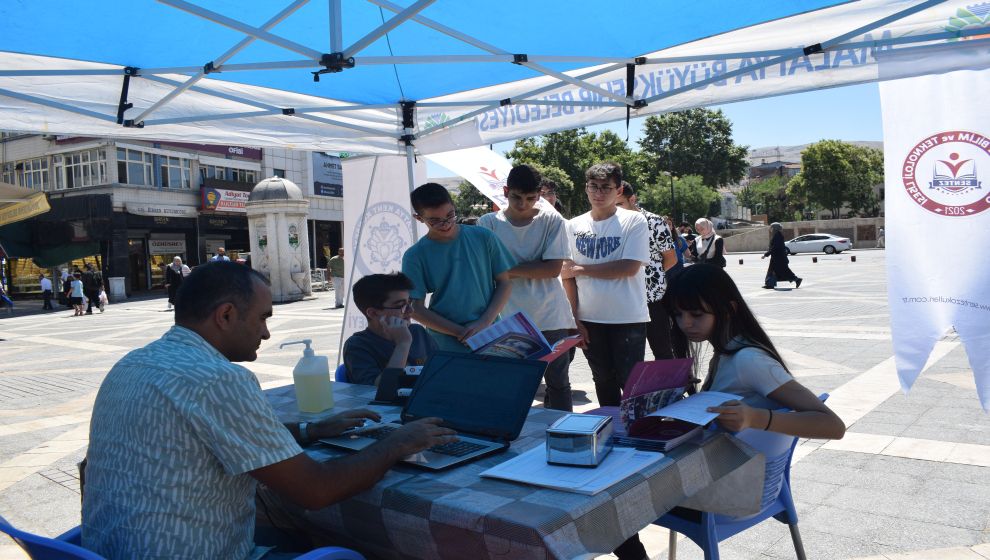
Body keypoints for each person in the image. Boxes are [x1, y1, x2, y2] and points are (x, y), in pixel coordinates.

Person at [82, 262, 456, 560]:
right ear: (226, 315)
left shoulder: (133, 363)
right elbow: (317, 490)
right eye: (263, 318)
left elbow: (205, 438)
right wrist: (396, 443)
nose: (266, 334)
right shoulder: (219, 379)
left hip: (107, 549)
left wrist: (310, 431)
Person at [617, 264, 846, 559]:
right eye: (678, 314)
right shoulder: (727, 352)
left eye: (696, 314)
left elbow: (833, 426)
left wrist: (755, 418)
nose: (686, 323)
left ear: (729, 309)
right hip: (748, 482)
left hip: (730, 494)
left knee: (607, 505)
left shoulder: (748, 360)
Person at [478, 164, 577, 411]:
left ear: (539, 195)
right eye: (517, 197)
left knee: (558, 384)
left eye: (531, 198)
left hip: (550, 316)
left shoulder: (552, 218)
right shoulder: (488, 222)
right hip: (505, 318)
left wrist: (502, 269)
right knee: (510, 384)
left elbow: (552, 269)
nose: (523, 204)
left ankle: (564, 438)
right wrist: (531, 267)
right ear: (505, 191)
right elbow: (482, 269)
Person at [561, 162, 650, 407]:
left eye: (606, 188)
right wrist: (574, 319)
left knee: (632, 384)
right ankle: (611, 431)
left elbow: (629, 267)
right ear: (586, 189)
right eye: (594, 187)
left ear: (618, 190)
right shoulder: (573, 225)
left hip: (627, 318)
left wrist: (581, 269)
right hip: (589, 320)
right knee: (603, 381)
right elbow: (567, 276)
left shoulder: (634, 221)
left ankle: (638, 435)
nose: (599, 194)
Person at [402, 182, 515, 352]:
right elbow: (415, 309)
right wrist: (462, 332)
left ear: (454, 207)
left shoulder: (483, 237)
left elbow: (505, 282)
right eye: (435, 221)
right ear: (419, 218)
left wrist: (484, 323)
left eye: (450, 215)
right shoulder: (414, 255)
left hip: (491, 335)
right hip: (444, 344)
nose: (446, 224)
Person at [616, 181, 678, 360]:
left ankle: (677, 385)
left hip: (652, 299)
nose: (617, 210)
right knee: (630, 357)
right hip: (624, 299)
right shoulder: (612, 223)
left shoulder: (655, 222)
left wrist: (653, 275)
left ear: (632, 199)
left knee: (663, 351)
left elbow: (671, 258)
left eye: (620, 204)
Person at [343, 273, 437, 386]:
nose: (410, 310)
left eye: (409, 303)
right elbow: (381, 389)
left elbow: (442, 371)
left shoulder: (418, 332)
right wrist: (403, 344)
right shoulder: (357, 345)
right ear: (373, 313)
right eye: (401, 306)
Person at [762, 222, 802, 289]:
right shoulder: (777, 235)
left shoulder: (777, 236)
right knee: (778, 271)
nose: (770, 229)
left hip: (778, 258)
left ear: (775, 228)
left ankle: (796, 279)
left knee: (782, 271)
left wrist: (766, 254)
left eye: (771, 227)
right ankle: (770, 284)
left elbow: (775, 248)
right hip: (777, 257)